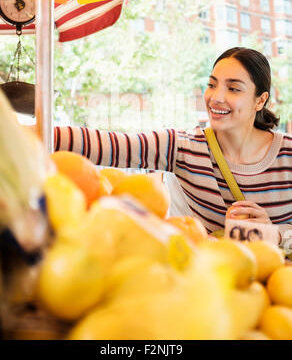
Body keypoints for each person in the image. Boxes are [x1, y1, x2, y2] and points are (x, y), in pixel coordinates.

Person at [54, 47, 292, 244]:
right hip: (212, 288)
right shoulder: (184, 147)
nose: (216, 97)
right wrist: (28, 133)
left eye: (233, 88)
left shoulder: (287, 155)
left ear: (260, 100)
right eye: (212, 84)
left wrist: (276, 235)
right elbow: (109, 144)